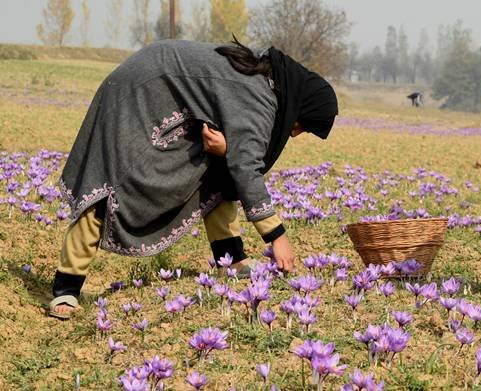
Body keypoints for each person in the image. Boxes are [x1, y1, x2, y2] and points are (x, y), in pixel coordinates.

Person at [49, 39, 339, 319]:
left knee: (219, 168)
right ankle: (66, 287)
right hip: (138, 93)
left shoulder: (266, 84)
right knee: (114, 182)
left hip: (158, 89)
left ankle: (231, 260)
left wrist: (229, 150)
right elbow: (246, 167)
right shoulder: (259, 98)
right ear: (298, 106)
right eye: (302, 125)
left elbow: (236, 161)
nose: (295, 132)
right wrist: (277, 236)